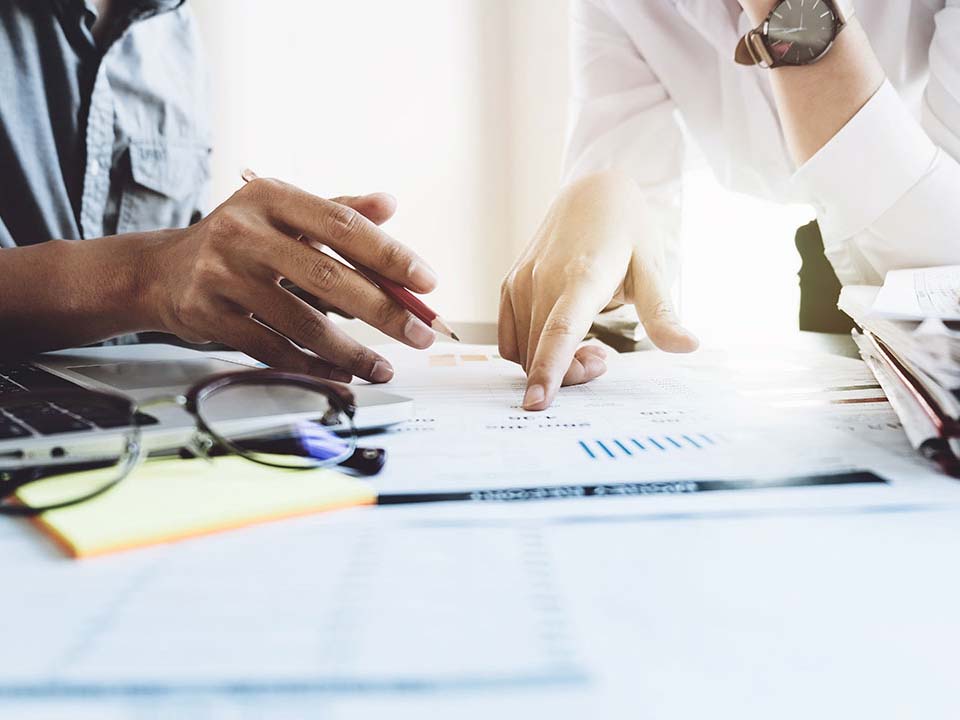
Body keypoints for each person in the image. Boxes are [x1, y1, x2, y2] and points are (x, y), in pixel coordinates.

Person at [501, 0, 960, 411]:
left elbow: (942, 269)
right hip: (840, 259)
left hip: (905, 232)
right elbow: (630, 264)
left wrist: (789, 10)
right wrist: (606, 193)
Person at [0, 0, 440, 384]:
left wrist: (268, 280)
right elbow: (157, 275)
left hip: (137, 426)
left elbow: (177, 273)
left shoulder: (171, 31)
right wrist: (146, 277)